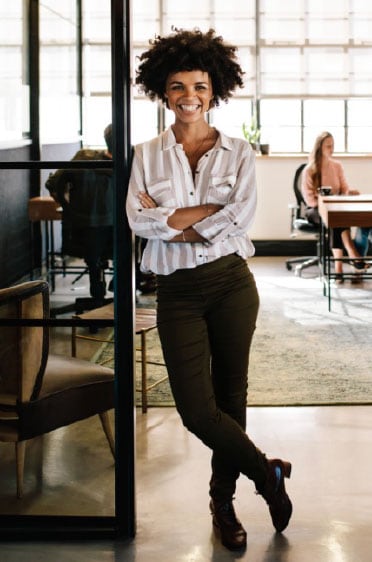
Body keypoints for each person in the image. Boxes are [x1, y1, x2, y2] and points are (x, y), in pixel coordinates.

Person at [126, 28, 292, 551]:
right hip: (176, 290)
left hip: (230, 285)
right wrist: (202, 217)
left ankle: (223, 503)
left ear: (214, 90)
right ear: (163, 92)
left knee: (231, 395)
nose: (188, 96)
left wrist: (172, 218)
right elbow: (138, 219)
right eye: (177, 86)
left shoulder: (239, 152)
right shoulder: (145, 155)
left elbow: (239, 218)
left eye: (199, 85)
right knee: (196, 410)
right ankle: (267, 475)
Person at [46, 124, 114, 302]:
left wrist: (69, 208)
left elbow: (53, 184)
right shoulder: (127, 163)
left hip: (81, 230)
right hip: (113, 234)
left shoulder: (83, 156)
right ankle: (131, 278)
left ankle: (98, 288)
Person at [302, 131, 366, 281]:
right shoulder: (309, 170)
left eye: (333, 146)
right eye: (328, 146)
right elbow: (310, 200)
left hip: (335, 209)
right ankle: (350, 254)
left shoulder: (337, 166)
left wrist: (349, 192)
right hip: (314, 209)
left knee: (335, 218)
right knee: (333, 218)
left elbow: (344, 189)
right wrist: (325, 201)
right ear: (319, 148)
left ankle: (339, 269)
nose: (331, 149)